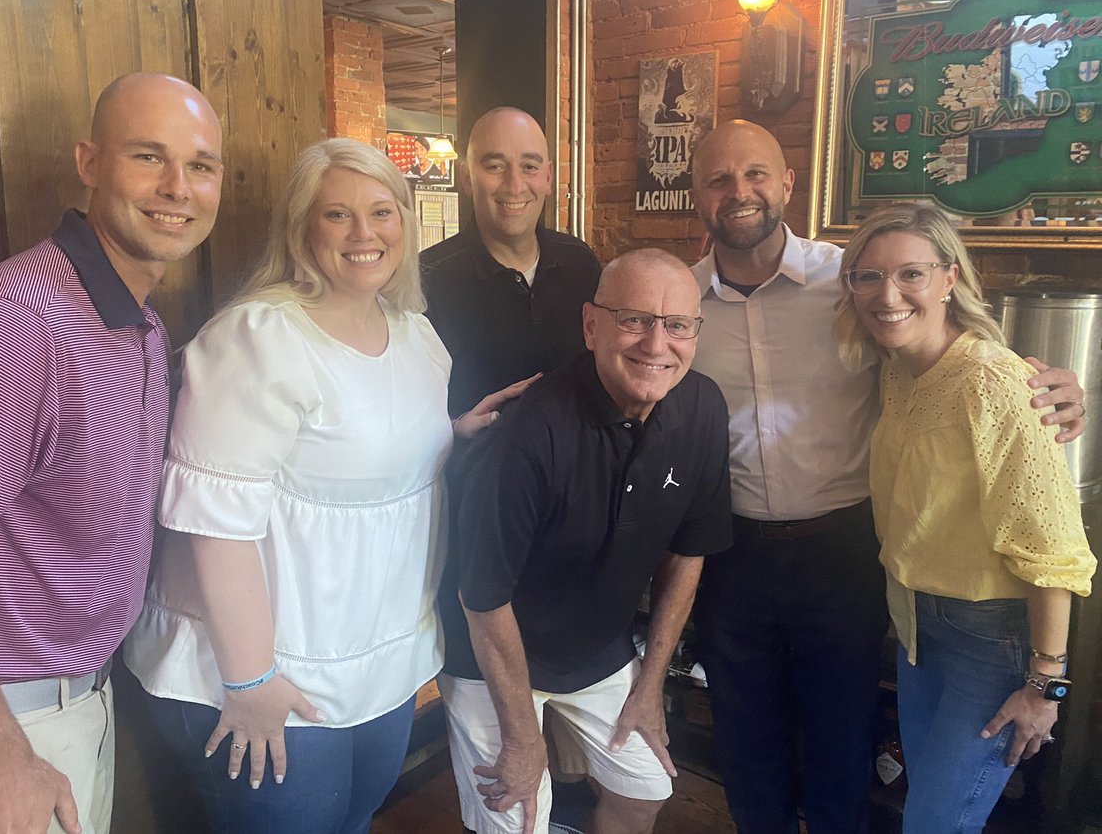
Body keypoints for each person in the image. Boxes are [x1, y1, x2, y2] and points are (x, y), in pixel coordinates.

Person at [686, 120, 1087, 834]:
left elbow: (946, 349)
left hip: (844, 551)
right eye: (718, 178)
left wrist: (1048, 382)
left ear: (786, 185)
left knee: (842, 736)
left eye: (755, 175)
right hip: (732, 553)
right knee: (743, 737)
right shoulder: (681, 306)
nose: (738, 192)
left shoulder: (850, 281)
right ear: (697, 193)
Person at [123, 138, 527, 834]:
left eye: (381, 211)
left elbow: (360, 453)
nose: (364, 233)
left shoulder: (415, 335)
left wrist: (449, 435)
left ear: (407, 220)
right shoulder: (258, 339)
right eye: (338, 215)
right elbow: (213, 521)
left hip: (377, 661)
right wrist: (249, 682)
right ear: (302, 229)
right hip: (264, 670)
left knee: (354, 819)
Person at [0, 72, 223, 834]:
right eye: (149, 156)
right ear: (89, 162)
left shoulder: (138, 323)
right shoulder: (14, 322)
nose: (178, 186)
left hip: (72, 707)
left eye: (201, 165)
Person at [444, 248, 733, 834]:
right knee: (518, 817)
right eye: (634, 320)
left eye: (677, 325)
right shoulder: (525, 436)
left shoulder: (702, 406)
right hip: (492, 653)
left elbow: (689, 550)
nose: (657, 345)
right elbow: (482, 599)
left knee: (645, 789)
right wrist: (526, 740)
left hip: (597, 648)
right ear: (591, 324)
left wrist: (651, 683)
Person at [833, 203, 1095, 833]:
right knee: (931, 809)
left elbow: (1050, 545)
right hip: (918, 626)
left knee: (935, 822)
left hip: (993, 638)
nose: (887, 294)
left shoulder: (996, 382)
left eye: (910, 275)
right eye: (868, 277)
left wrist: (1046, 687)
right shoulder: (898, 371)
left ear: (950, 278)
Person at [421, 106, 601, 418]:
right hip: (479, 463)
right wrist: (453, 427)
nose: (514, 185)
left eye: (529, 166)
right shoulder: (426, 277)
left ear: (548, 178)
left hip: (580, 462)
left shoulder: (581, 261)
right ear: (467, 178)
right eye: (494, 166)